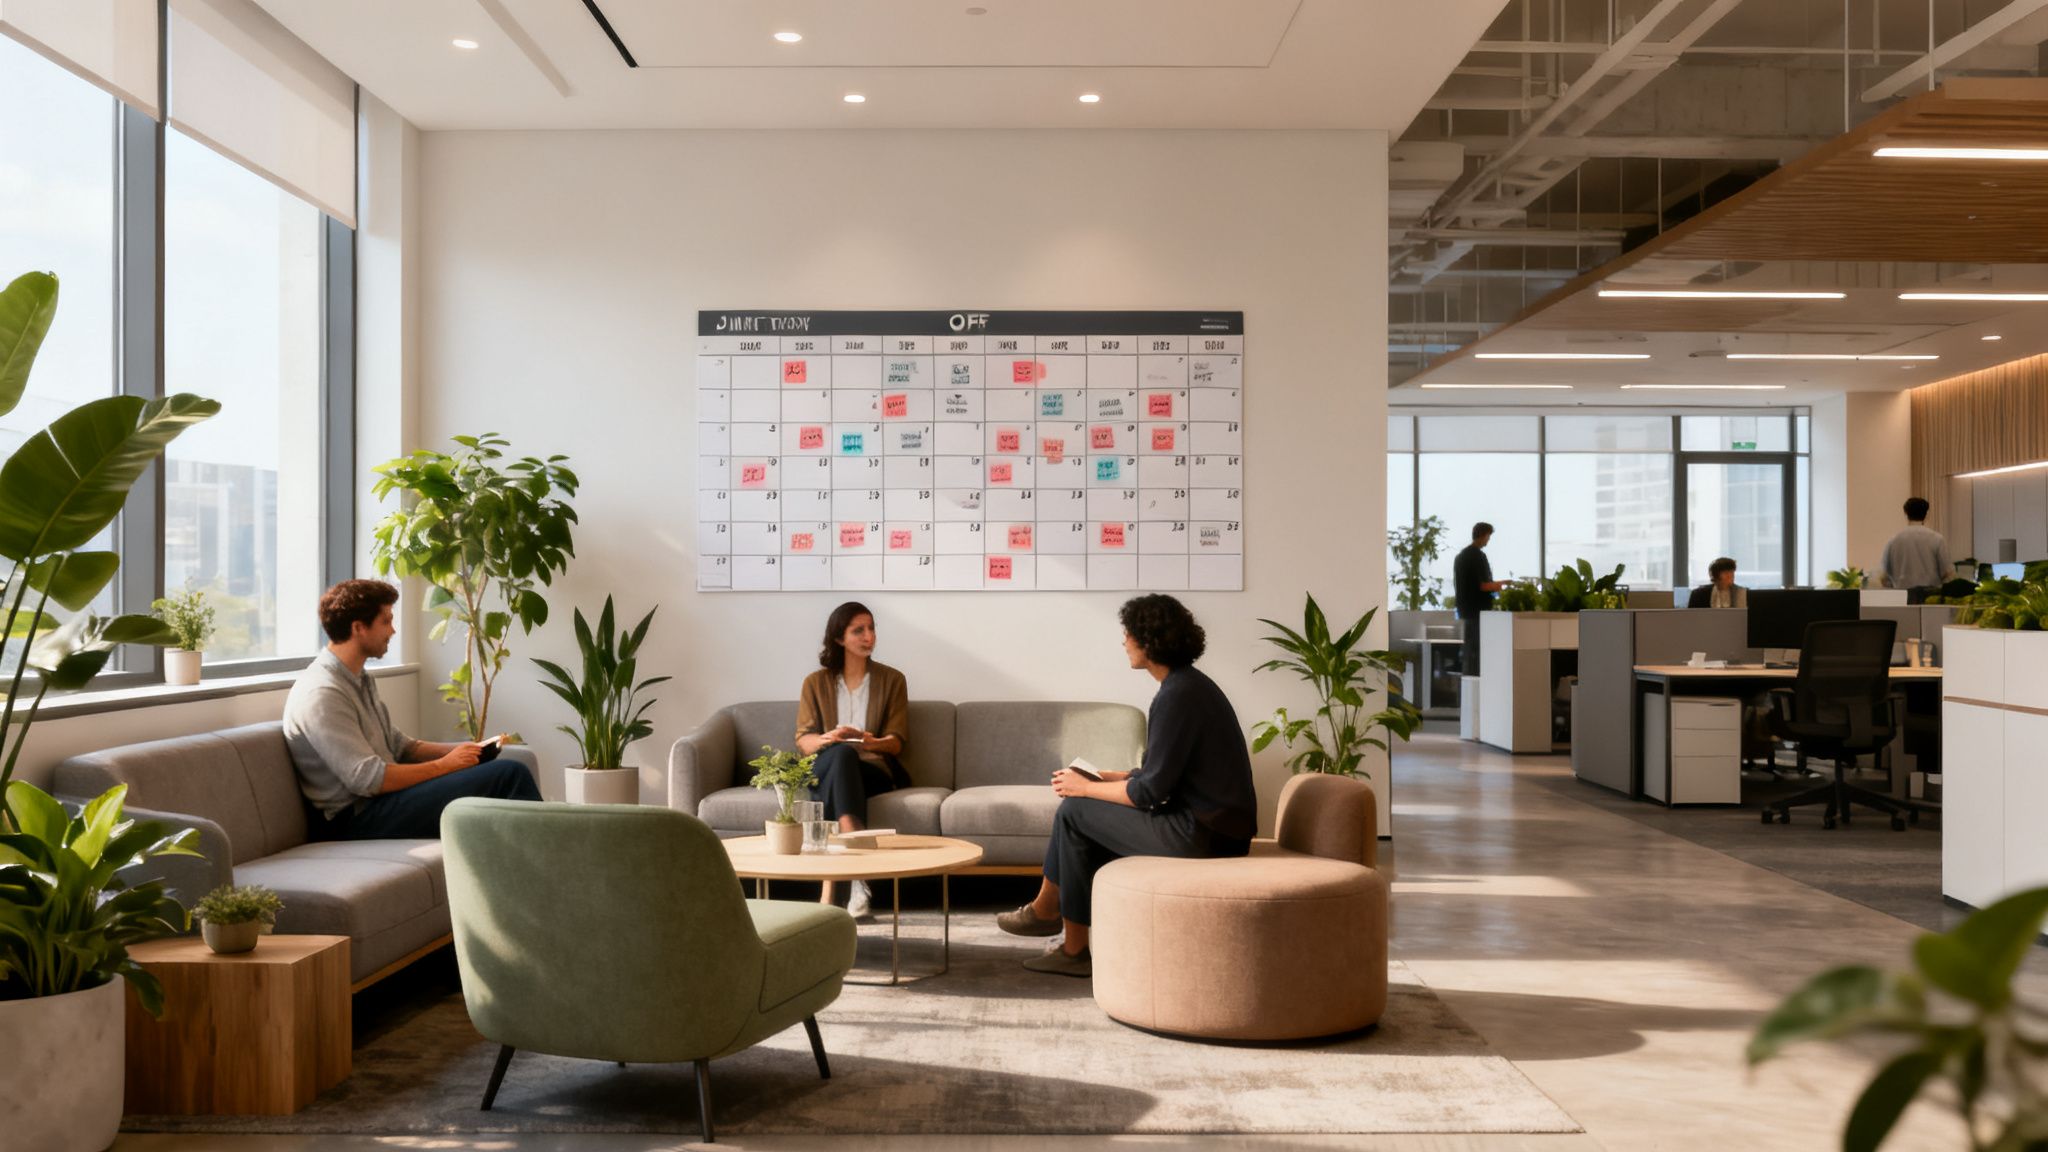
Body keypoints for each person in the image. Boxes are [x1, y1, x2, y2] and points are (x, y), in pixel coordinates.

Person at [996, 594, 1256, 978]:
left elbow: (1150, 794)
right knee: (1080, 816)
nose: (1123, 642)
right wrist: (1109, 777)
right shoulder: (1189, 687)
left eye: (1128, 634)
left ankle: (1063, 936)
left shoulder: (1176, 696)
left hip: (1204, 835)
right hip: (1215, 828)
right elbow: (1162, 774)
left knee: (1073, 812)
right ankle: (1053, 919)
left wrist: (1083, 789)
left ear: (1148, 642)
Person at [283, 579, 540, 841]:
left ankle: (524, 870)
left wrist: (471, 749)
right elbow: (367, 779)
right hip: (355, 820)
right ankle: (554, 868)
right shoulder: (321, 693)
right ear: (359, 628)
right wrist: (445, 766)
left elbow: (401, 747)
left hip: (384, 803)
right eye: (386, 621)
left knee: (512, 763)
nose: (393, 631)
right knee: (509, 774)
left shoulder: (358, 679)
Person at [795, 601, 910, 919]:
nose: (868, 636)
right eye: (858, 630)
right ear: (839, 638)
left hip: (873, 768)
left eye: (871, 628)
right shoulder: (815, 683)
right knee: (840, 754)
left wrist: (871, 741)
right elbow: (804, 740)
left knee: (844, 760)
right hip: (827, 761)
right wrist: (827, 738)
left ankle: (830, 889)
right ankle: (858, 877)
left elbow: (897, 742)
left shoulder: (893, 680)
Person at [1452, 521, 1507, 675]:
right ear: (1484, 535)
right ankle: (1477, 682)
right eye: (1488, 536)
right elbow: (1483, 585)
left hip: (1465, 609)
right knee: (1477, 651)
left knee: (1469, 650)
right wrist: (1501, 585)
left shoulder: (1461, 556)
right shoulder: (1477, 556)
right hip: (1478, 610)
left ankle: (1470, 684)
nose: (1488, 540)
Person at [1882, 497, 1952, 603]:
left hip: (1902, 597)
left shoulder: (1894, 540)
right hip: (1931, 597)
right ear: (1927, 514)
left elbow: (1885, 576)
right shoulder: (1937, 539)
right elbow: (1947, 573)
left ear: (1905, 513)